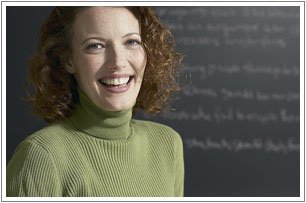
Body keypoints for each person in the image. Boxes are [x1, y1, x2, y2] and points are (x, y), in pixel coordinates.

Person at [6, 6, 184, 197]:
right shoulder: (41, 156)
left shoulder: (168, 144)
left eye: (131, 42)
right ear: (68, 60)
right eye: (95, 46)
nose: (117, 62)